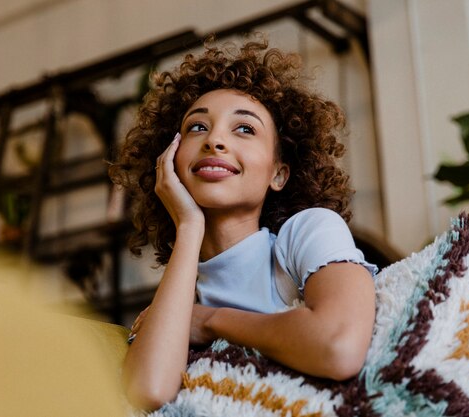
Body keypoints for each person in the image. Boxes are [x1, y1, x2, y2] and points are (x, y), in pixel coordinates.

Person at [109, 38, 378, 411]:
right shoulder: (181, 292)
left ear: (278, 174)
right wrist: (188, 227)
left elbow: (338, 346)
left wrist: (212, 321)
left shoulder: (309, 231)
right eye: (197, 127)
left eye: (245, 129)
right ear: (169, 162)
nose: (215, 140)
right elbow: (149, 391)